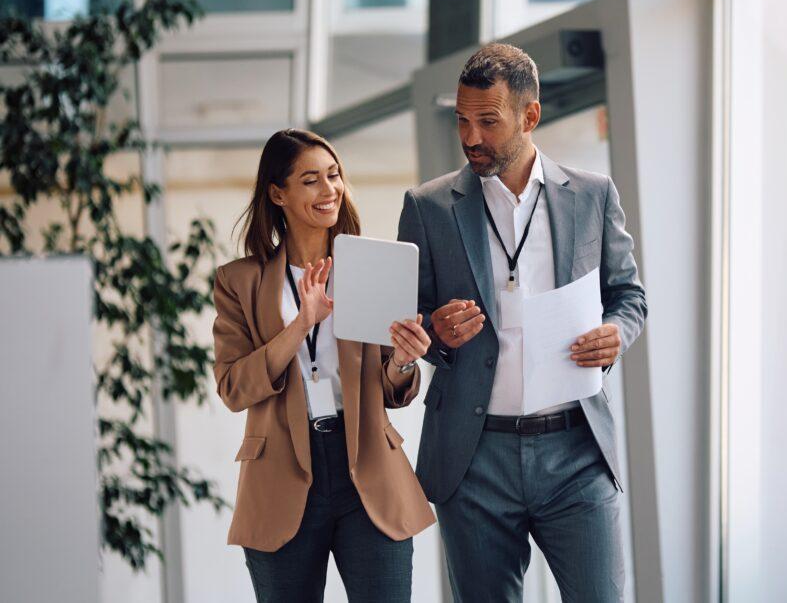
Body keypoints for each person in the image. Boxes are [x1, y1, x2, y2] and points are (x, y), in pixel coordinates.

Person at [398, 43, 647, 602]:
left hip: (576, 451)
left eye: (488, 121)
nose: (470, 137)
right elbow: (407, 320)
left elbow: (628, 295)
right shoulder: (428, 206)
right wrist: (436, 332)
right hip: (473, 454)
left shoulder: (592, 194)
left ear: (529, 116)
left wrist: (617, 334)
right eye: (462, 120)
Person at [212, 129, 435, 602]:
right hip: (280, 475)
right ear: (278, 193)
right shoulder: (240, 282)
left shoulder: (371, 266)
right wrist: (300, 325)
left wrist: (403, 360)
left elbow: (393, 389)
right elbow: (233, 387)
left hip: (369, 469)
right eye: (310, 180)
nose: (329, 190)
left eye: (334, 176)